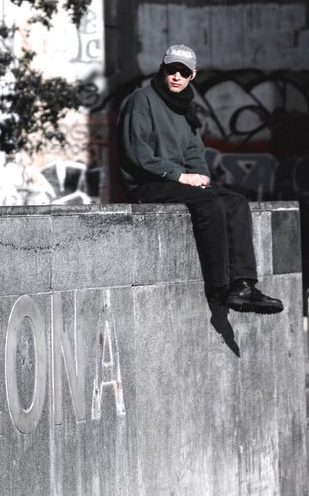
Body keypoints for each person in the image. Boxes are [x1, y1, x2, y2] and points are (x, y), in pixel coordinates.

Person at [117, 43, 283, 314]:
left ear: (193, 75)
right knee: (210, 204)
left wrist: (202, 176)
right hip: (147, 183)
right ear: (163, 69)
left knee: (236, 202)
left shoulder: (185, 107)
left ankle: (243, 285)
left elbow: (195, 152)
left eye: (183, 72)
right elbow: (138, 154)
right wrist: (181, 176)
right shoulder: (142, 100)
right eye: (172, 70)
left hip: (178, 182)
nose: (177, 77)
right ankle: (220, 287)